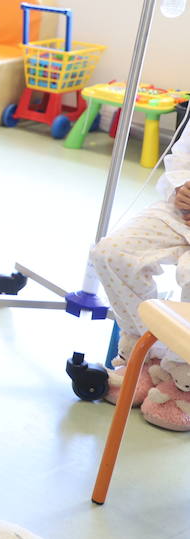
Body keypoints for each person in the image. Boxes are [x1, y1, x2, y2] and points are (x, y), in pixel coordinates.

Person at [91, 120, 190, 420]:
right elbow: (182, 155)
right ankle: (146, 355)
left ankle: (183, 375)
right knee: (112, 254)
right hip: (181, 212)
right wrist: (180, 187)